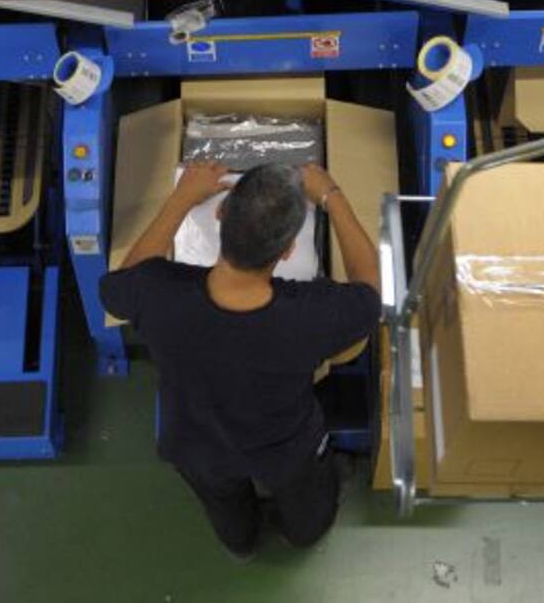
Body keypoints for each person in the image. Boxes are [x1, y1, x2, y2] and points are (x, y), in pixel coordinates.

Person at [100, 161, 381, 560]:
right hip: (283, 448)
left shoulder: (158, 294)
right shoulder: (312, 316)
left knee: (223, 505)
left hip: (195, 442)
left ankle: (242, 543)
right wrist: (332, 197)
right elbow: (370, 291)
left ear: (220, 214)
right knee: (307, 503)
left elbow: (120, 285)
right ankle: (301, 536)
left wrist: (181, 199)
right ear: (288, 250)